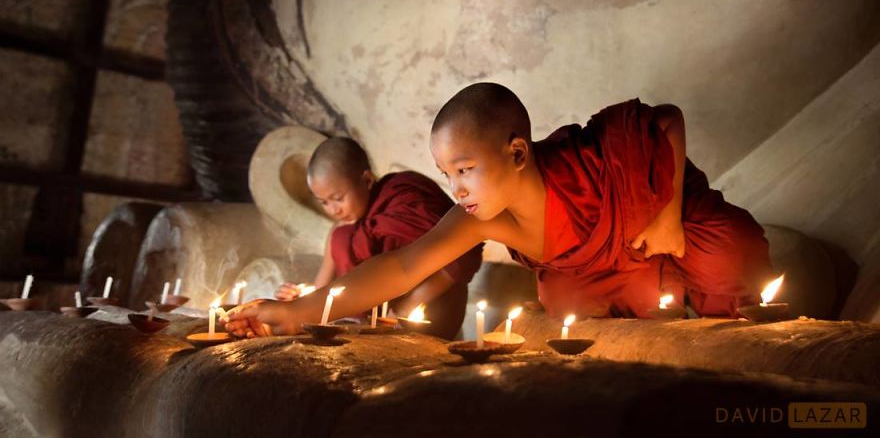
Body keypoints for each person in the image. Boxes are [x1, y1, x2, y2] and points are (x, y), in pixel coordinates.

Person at [225, 83, 773, 336]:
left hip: (661, 234)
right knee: (568, 315)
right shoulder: (479, 215)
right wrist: (298, 312)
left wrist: (669, 214)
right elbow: (400, 265)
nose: (457, 189)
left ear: (516, 153)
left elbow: (667, 118)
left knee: (732, 251)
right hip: (594, 274)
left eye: (465, 169)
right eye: (447, 175)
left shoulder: (584, 163)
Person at [273, 136, 482, 339]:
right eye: (324, 202)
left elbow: (461, 254)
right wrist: (299, 303)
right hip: (370, 324)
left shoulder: (405, 194)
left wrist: (406, 307)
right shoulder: (342, 231)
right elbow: (322, 289)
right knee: (341, 235)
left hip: (430, 311)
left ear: (366, 179)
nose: (334, 210)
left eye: (338, 198)